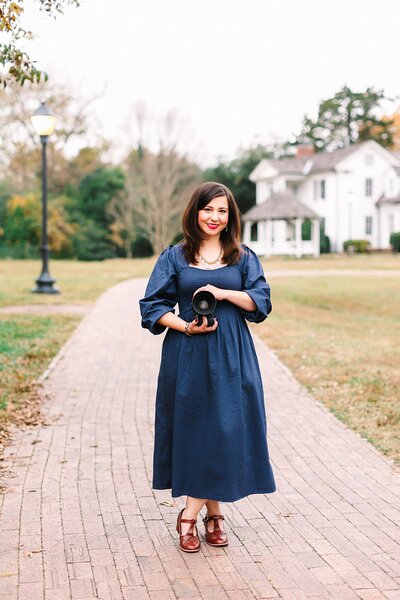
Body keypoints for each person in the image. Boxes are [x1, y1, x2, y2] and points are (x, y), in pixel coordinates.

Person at [139, 181, 276, 553]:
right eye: (208, 209)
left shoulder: (243, 256)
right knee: (196, 428)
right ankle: (212, 515)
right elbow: (151, 306)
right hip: (186, 353)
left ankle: (189, 514)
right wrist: (185, 325)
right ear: (194, 212)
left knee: (224, 428)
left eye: (222, 211)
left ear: (230, 217)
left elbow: (261, 302)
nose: (214, 218)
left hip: (233, 354)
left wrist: (222, 293)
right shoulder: (174, 257)